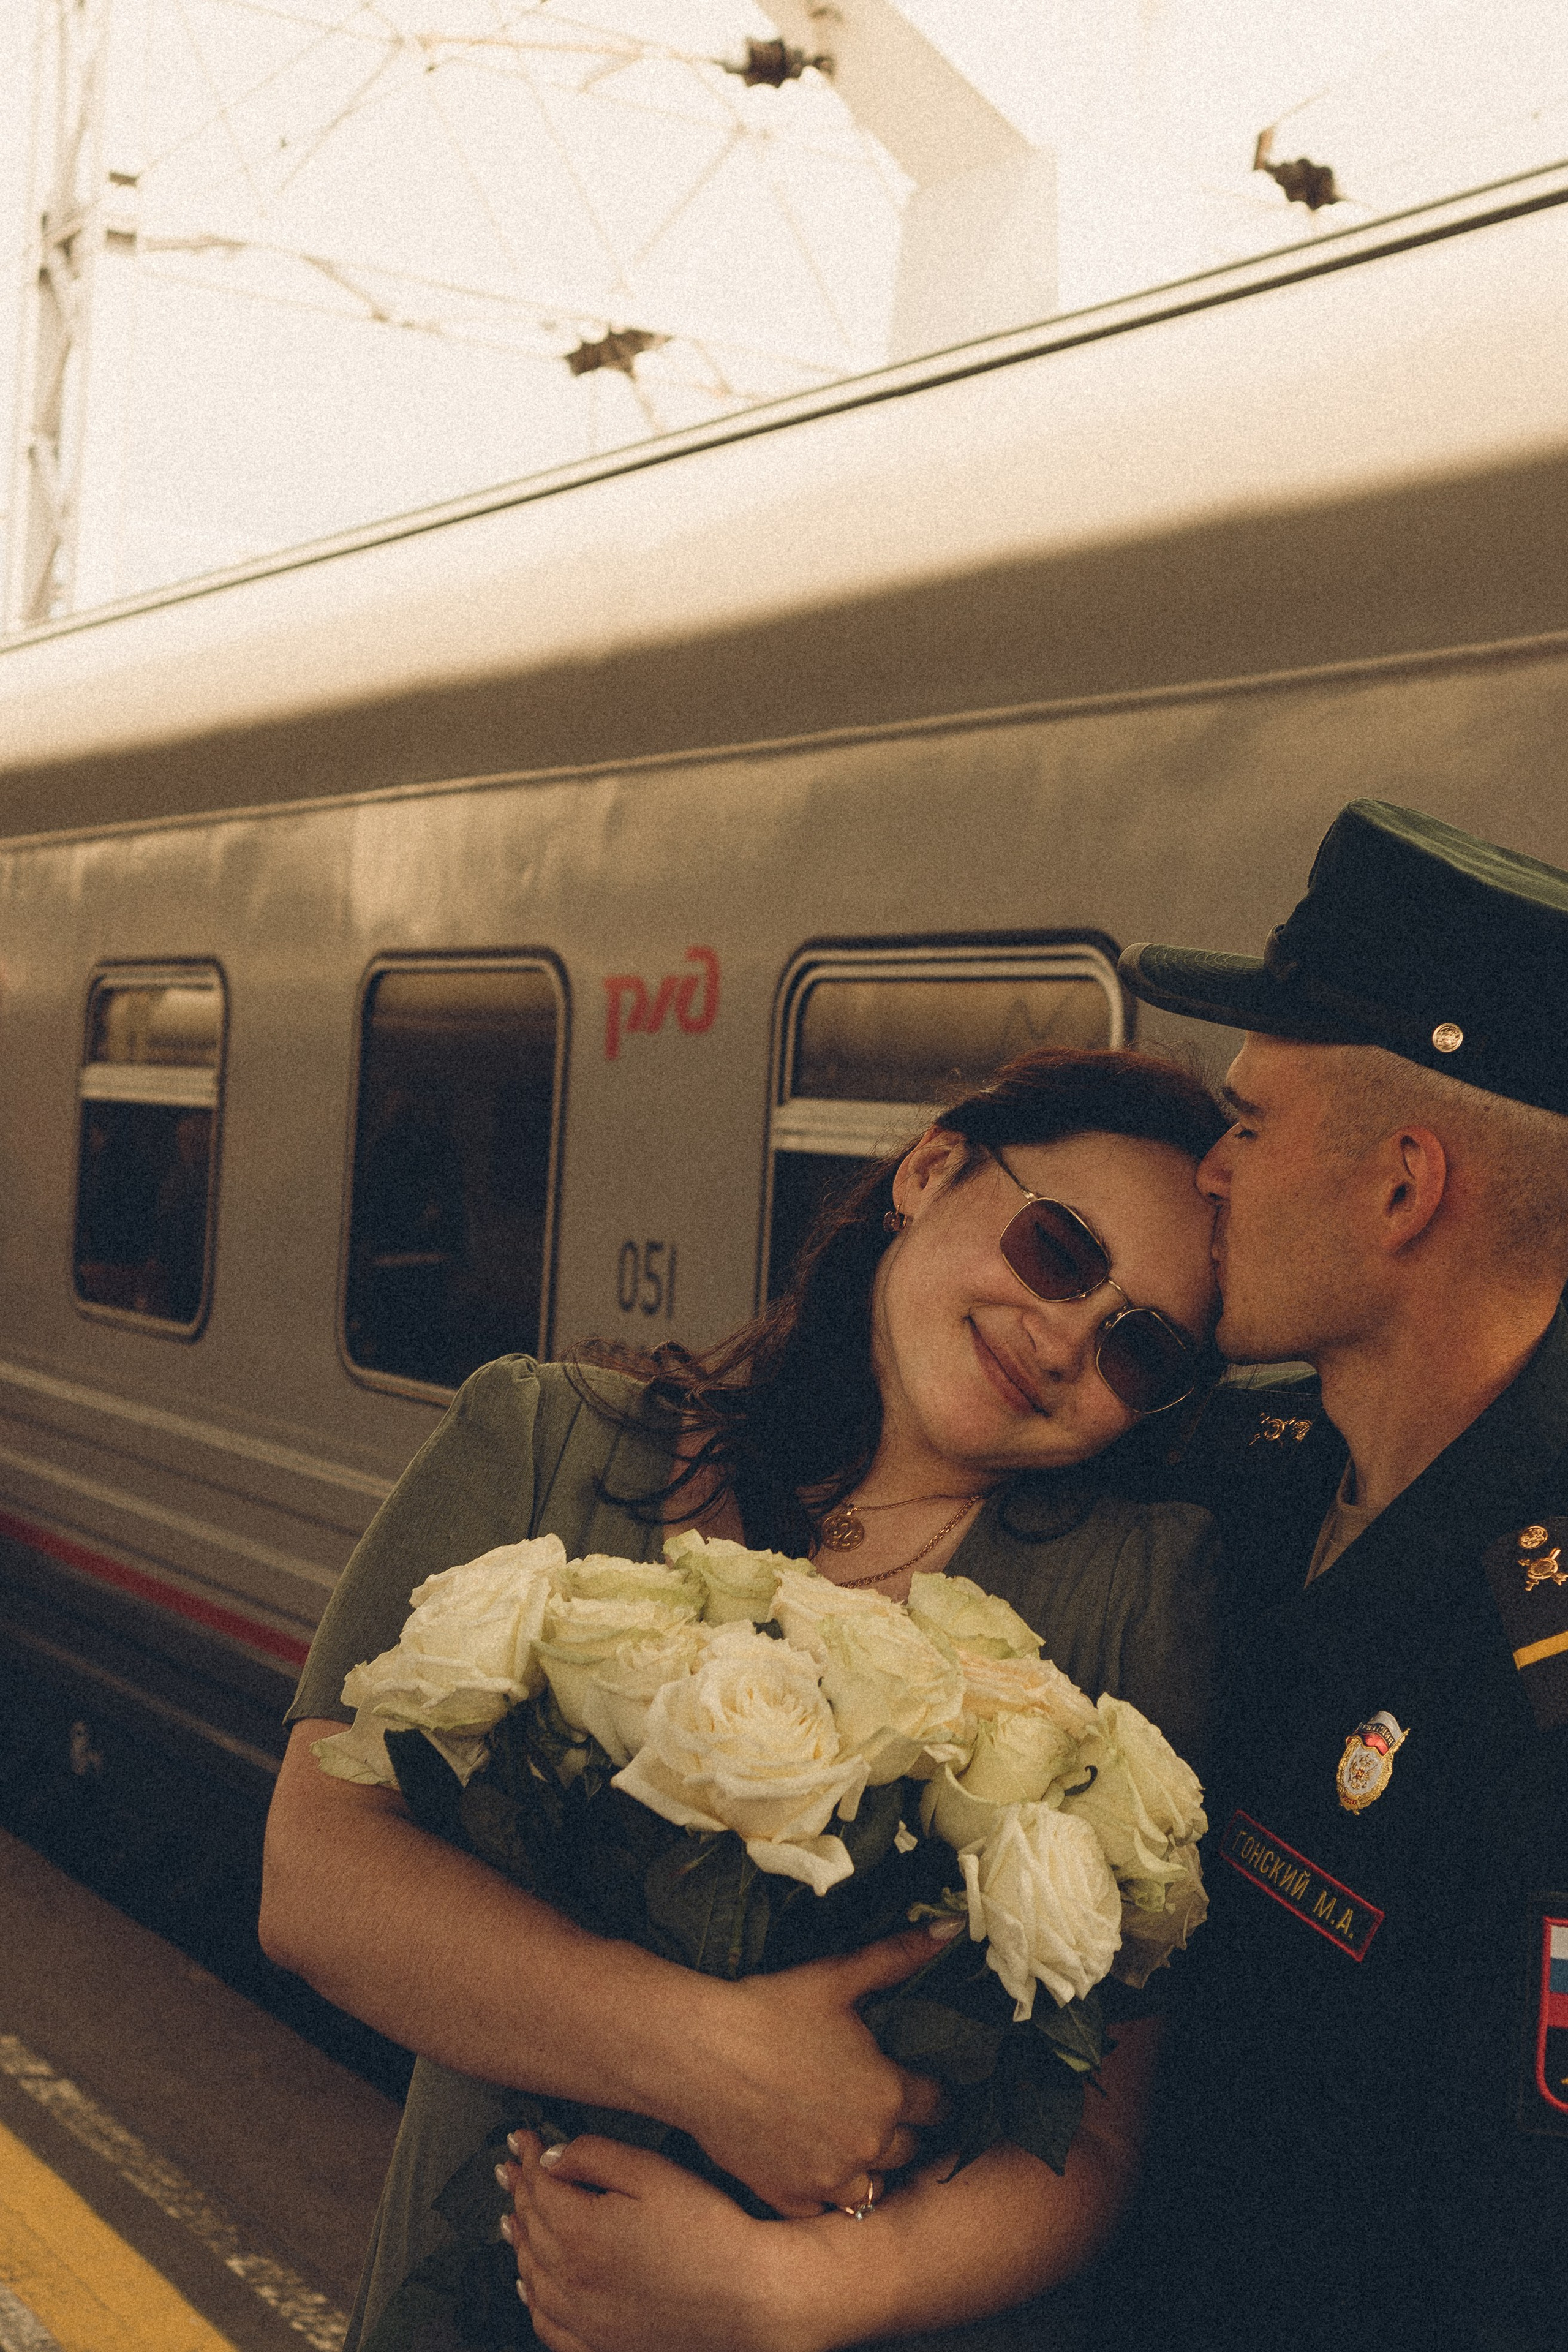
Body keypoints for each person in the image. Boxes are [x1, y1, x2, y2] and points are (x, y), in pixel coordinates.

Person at [260, 1047, 1227, 2352]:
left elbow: (1099, 2137)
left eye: (1141, 1347)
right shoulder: (542, 1447)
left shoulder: (1137, 1593)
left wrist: (813, 2289)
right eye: (1057, 1250)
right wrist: (716, 2060)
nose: (1062, 1340)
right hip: (482, 2292)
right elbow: (318, 1882)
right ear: (930, 1169)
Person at [1095, 799, 1568, 2351]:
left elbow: (1509, 2259)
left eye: (1246, 1121)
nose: (1208, 1171)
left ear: (1401, 1188)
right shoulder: (1247, 1456)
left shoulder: (1540, 1672)